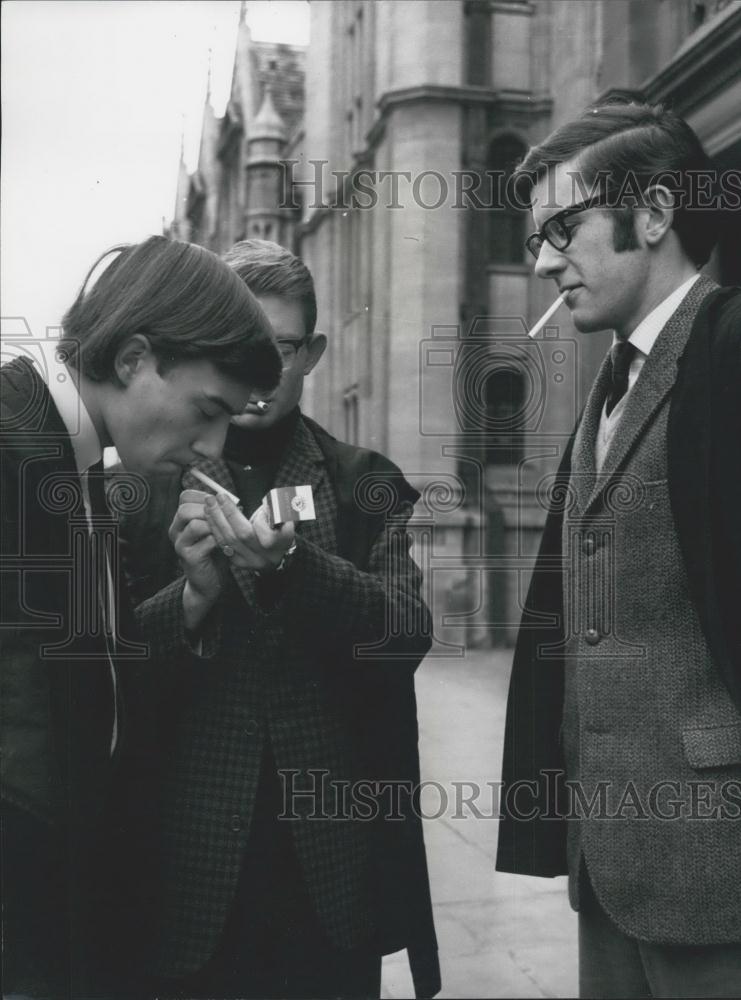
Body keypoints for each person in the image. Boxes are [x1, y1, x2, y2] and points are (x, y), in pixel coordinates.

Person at [119, 239, 441, 1000]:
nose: (261, 373)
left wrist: (296, 569)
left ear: (314, 352)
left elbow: (404, 635)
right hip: (185, 866)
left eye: (283, 348)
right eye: (240, 349)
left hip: (327, 875)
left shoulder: (364, 483)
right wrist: (191, 600)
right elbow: (110, 666)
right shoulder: (145, 483)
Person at [495, 102, 741, 998]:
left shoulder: (729, 349)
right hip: (607, 866)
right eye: (533, 239)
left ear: (654, 213)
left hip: (720, 871)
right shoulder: (610, 383)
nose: (542, 260)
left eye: (564, 227)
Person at [0, 235, 281, 998]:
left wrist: (195, 597)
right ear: (131, 358)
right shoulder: (12, 447)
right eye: (206, 410)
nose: (211, 448)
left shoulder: (70, 457)